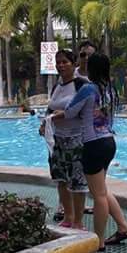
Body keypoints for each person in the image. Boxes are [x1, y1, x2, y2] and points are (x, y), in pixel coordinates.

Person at [54, 53, 127, 249]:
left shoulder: (88, 89)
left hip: (93, 144)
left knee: (98, 196)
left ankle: (99, 240)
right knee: (101, 190)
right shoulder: (110, 90)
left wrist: (54, 116)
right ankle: (122, 227)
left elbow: (70, 111)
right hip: (109, 142)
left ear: (92, 69)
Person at [39, 49, 88, 228]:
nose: (61, 65)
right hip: (57, 140)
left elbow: (89, 110)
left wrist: (64, 114)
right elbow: (50, 109)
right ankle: (68, 217)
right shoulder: (56, 86)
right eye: (58, 62)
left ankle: (78, 222)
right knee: (60, 179)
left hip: (76, 140)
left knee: (77, 181)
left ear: (74, 64)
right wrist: (44, 124)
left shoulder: (82, 85)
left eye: (65, 62)